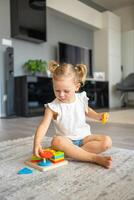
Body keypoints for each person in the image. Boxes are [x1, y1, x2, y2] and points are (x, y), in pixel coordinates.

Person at [33, 60, 112, 168]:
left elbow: (87, 110)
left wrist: (98, 116)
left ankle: (73, 154)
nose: (61, 94)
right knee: (56, 141)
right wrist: (37, 143)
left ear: (76, 87)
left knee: (107, 141)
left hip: (85, 139)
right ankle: (93, 158)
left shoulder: (81, 98)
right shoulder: (52, 107)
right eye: (57, 90)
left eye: (66, 91)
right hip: (66, 141)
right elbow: (43, 125)